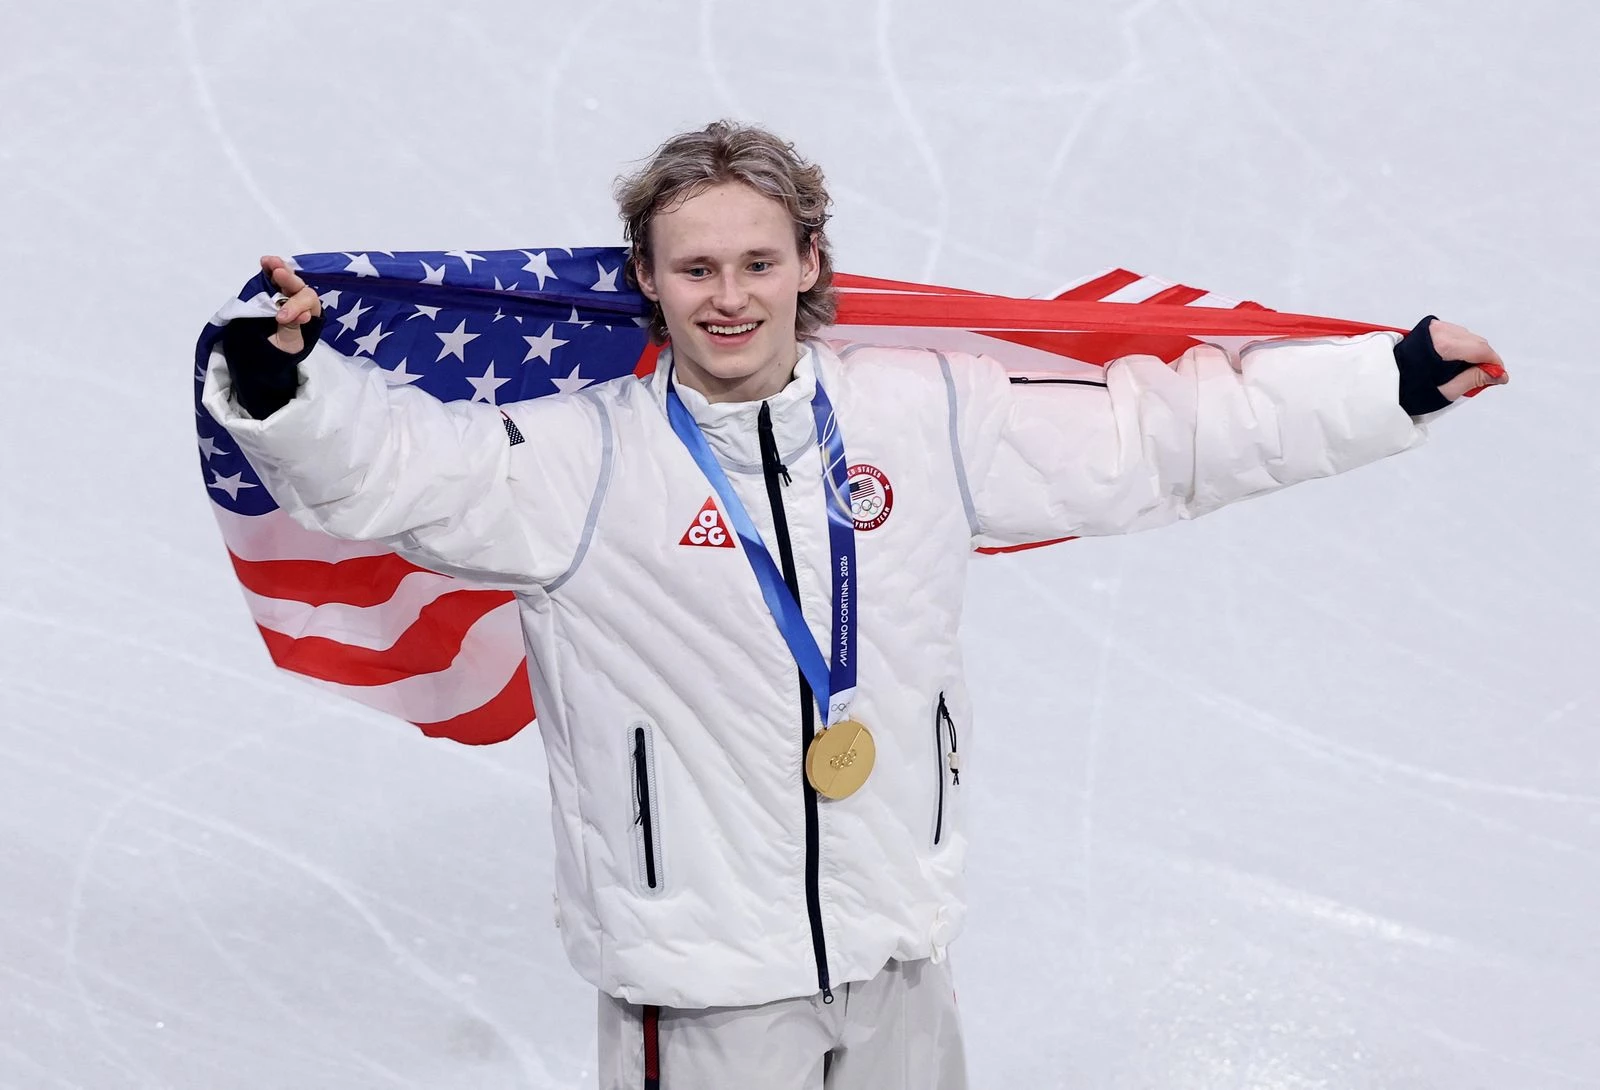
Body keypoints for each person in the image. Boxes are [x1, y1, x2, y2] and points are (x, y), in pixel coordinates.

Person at [202, 120, 1507, 1090]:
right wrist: (289, 393)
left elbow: (1154, 440)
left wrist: (1386, 381)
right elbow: (399, 476)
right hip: (705, 988)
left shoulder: (918, 410)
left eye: (757, 262)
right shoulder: (587, 457)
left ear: (810, 260)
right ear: (645, 277)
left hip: (896, 949)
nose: (729, 295)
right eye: (695, 266)